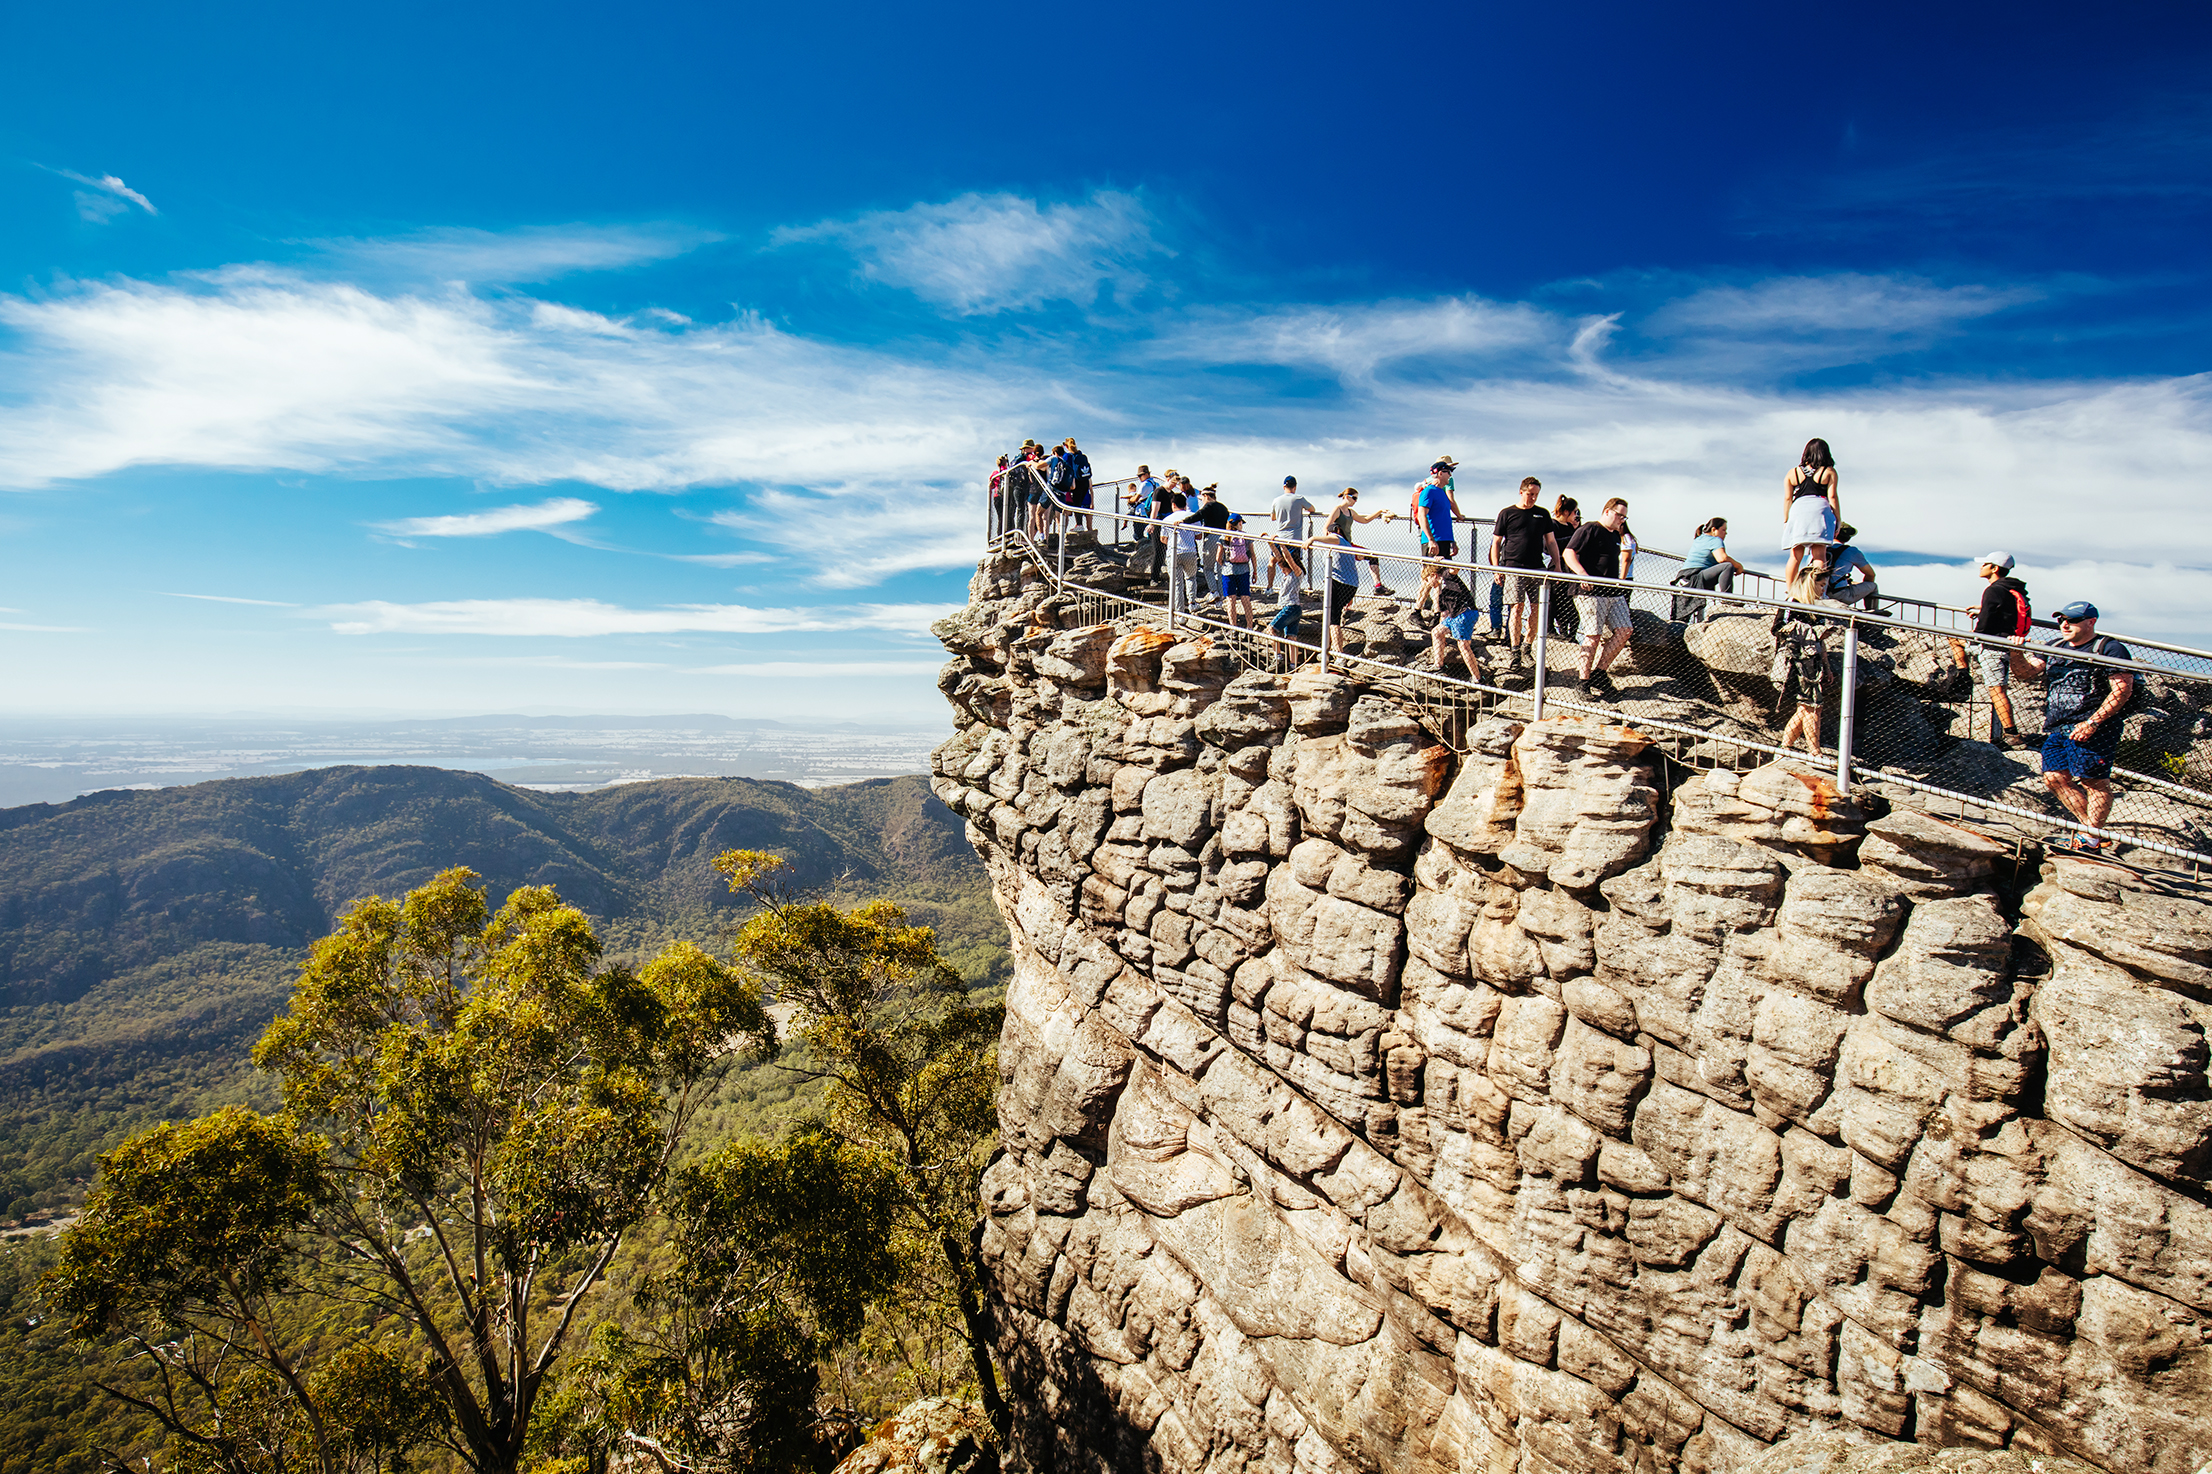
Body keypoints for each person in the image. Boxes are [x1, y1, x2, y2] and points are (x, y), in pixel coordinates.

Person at [2013, 600, 2135, 848]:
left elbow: (2122, 689)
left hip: (2093, 727)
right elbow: (2026, 672)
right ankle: (2091, 833)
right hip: (2058, 726)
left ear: (2091, 622)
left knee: (2094, 781)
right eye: (2061, 620)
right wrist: (2015, 652)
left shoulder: (2108, 648)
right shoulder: (2055, 646)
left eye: (2072, 620)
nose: (2065, 624)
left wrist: (2092, 722)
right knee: (2054, 778)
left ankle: (2090, 838)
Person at [1945, 552, 2031, 749]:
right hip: (2006, 643)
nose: (1981, 567)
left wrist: (1976, 638)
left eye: (1985, 564)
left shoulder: (1993, 590)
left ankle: (2012, 735)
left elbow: (1986, 622)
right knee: (1998, 690)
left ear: (1994, 568)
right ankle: (1964, 675)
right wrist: (1983, 608)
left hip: (1991, 645)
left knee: (1997, 691)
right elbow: (2004, 612)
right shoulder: (2012, 589)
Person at [1564, 498, 1633, 695]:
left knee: (1625, 629)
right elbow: (1569, 553)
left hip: (1612, 591)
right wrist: (1582, 574)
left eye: (1624, 516)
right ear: (1607, 512)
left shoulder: (1615, 536)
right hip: (1590, 592)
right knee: (1593, 635)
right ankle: (1583, 682)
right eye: (1619, 514)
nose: (1622, 519)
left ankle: (1600, 673)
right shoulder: (1589, 529)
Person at [1491, 477, 1560, 669]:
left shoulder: (1543, 514)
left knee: (1538, 609)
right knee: (1517, 607)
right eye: (1530, 494)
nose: (1533, 498)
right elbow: (1496, 542)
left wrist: (1558, 565)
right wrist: (1497, 567)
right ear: (1521, 492)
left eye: (1536, 495)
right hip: (1513, 566)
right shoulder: (1507, 513)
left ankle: (1527, 647)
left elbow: (1551, 541)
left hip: (1536, 567)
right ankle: (1514, 649)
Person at [1773, 566, 1833, 759]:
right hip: (1796, 662)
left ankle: (1785, 748)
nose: (1824, 589)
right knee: (1812, 706)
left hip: (1813, 664)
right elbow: (1777, 628)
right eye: (1821, 585)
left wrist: (1827, 667)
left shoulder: (1816, 608)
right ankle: (1815, 752)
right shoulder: (1793, 602)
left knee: (1806, 707)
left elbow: (1820, 641)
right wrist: (1807, 630)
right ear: (1810, 583)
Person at [1781, 437, 1840, 590]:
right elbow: (1832, 497)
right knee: (1819, 555)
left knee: (1795, 555)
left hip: (1798, 510)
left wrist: (1787, 520)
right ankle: (1816, 590)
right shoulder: (1829, 472)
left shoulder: (1792, 473)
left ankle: (1790, 591)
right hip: (1819, 509)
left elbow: (1788, 498)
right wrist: (1838, 519)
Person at [1670, 517, 1745, 622]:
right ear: (1714, 530)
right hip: (1695, 577)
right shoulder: (1715, 540)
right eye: (1723, 530)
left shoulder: (1699, 539)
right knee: (1728, 566)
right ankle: (1727, 599)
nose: (1726, 533)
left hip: (1684, 578)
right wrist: (1738, 566)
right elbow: (1722, 558)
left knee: (1681, 621)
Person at [1325, 488, 1395, 595]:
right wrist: (1332, 541)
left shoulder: (1350, 512)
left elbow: (1365, 520)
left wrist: (1380, 511)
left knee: (1371, 557)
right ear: (1347, 496)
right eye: (1354, 498)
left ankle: (1378, 586)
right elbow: (1326, 528)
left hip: (1349, 545)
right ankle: (1347, 606)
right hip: (1341, 546)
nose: (1355, 501)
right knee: (1346, 576)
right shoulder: (1337, 510)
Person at [1429, 567, 1483, 680]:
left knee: (1463, 646)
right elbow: (1444, 614)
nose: (1427, 584)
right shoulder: (1440, 592)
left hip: (1465, 613)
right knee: (1437, 632)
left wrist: (1441, 561)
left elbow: (1455, 569)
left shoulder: (1446, 576)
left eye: (1427, 580)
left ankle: (1477, 678)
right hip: (1453, 616)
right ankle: (1439, 666)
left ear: (1433, 575)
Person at [1270, 477, 1318, 602]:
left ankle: (1270, 588)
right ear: (1295, 487)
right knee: (1292, 567)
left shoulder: (1276, 500)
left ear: (1283, 487)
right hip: (1294, 539)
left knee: (1276, 562)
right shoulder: (1299, 499)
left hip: (1279, 537)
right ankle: (1291, 595)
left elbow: (1273, 517)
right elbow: (1312, 509)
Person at [1549, 496, 1583, 643]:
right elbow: (1550, 545)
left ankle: (1570, 634)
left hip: (1572, 568)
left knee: (1570, 602)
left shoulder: (1572, 528)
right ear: (1567, 511)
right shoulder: (1553, 525)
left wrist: (1577, 530)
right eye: (1574, 512)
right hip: (1558, 566)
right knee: (1555, 600)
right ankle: (1550, 629)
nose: (1576, 515)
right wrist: (1573, 537)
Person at [1166, 492, 1204, 619]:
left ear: (1173, 505)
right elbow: (1199, 536)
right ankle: (1192, 602)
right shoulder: (1192, 517)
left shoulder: (1167, 519)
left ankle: (1180, 612)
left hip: (1173, 552)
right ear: (1185, 504)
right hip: (1190, 550)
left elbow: (1163, 538)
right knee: (1191, 577)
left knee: (1177, 583)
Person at [1824, 524, 1879, 608]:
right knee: (1873, 586)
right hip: (1837, 594)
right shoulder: (1851, 551)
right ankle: (1872, 615)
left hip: (1816, 592)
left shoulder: (1820, 548)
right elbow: (1871, 575)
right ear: (1848, 537)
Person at [1192, 485, 1233, 594]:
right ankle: (1222, 593)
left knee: (1208, 568)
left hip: (1211, 538)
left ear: (1206, 496)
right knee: (1220, 568)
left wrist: (1184, 521)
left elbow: (1198, 515)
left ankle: (1214, 592)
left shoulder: (1208, 506)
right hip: (1223, 538)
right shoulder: (1224, 508)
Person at [1221, 515, 1255, 628]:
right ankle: (1250, 627)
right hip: (1244, 570)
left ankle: (1233, 628)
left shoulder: (1224, 537)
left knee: (1231, 601)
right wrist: (1255, 571)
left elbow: (1218, 557)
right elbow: (1252, 554)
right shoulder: (1246, 536)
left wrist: (1224, 565)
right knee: (1246, 600)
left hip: (1228, 571)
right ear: (1239, 523)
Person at [1063, 438, 1094, 531]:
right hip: (1085, 482)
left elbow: (1066, 469)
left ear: (1066, 446)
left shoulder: (1068, 456)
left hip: (1076, 482)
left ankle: (1079, 525)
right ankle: (1079, 525)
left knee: (1077, 504)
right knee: (1079, 503)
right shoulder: (1082, 456)